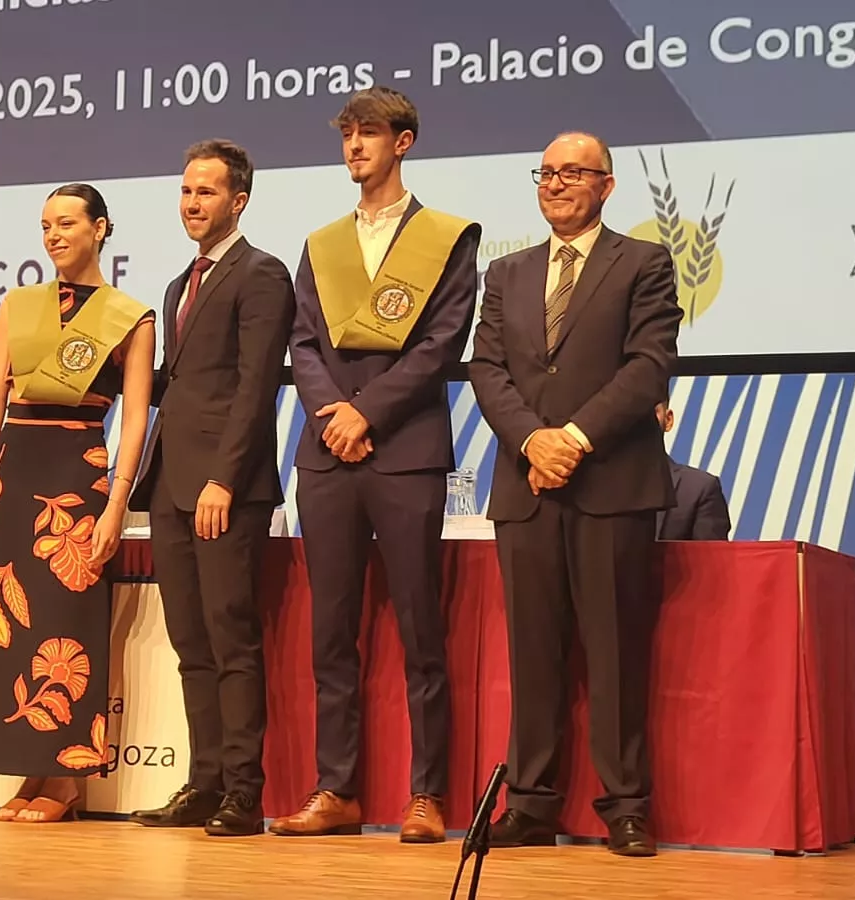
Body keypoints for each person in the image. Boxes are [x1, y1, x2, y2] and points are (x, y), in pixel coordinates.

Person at [273, 87, 482, 843]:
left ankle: (426, 794)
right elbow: (302, 343)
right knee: (331, 631)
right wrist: (336, 415)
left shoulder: (449, 238)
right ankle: (338, 790)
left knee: (422, 631)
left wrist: (369, 412)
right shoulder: (321, 242)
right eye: (348, 134)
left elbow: (441, 342)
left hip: (406, 450)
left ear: (406, 142)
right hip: (328, 454)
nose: (355, 145)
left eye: (370, 133)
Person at [466, 132, 682, 857]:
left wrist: (574, 440)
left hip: (610, 487)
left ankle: (625, 806)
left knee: (616, 654)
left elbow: (649, 367)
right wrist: (532, 441)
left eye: (573, 173)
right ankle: (531, 804)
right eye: (547, 173)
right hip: (526, 487)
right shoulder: (507, 272)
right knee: (534, 654)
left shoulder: (645, 263)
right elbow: (487, 370)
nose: (556, 184)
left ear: (607, 185)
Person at [0, 184, 155, 823]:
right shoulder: (16, 307)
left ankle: (66, 781)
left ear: (101, 228)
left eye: (67, 222)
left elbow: (133, 420)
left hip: (80, 475)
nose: (53, 234)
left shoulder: (131, 315)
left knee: (65, 623)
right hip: (12, 475)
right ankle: (28, 772)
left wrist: (117, 505)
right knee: (10, 624)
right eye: (46, 224)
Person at [126, 140, 295, 836]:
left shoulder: (263, 274)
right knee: (190, 643)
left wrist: (224, 477)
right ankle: (204, 783)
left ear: (239, 201)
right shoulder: (176, 285)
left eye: (207, 192)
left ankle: (243, 794)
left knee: (231, 640)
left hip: (226, 487)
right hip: (171, 484)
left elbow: (255, 388)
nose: (193, 203)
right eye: (186, 191)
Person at [655, 400, 731, 541]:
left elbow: (711, 561)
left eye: (651, 411)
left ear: (668, 420)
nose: (640, 420)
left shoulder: (700, 489)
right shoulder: (601, 486)